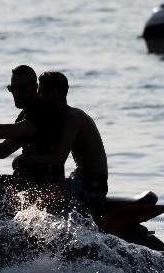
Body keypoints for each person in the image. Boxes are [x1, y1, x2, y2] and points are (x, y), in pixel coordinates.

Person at [15, 72, 109, 217]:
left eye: (41, 90)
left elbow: (58, 159)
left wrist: (26, 159)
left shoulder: (73, 118)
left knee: (31, 200)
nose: (38, 95)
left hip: (92, 184)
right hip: (78, 179)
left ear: (55, 92)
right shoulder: (59, 118)